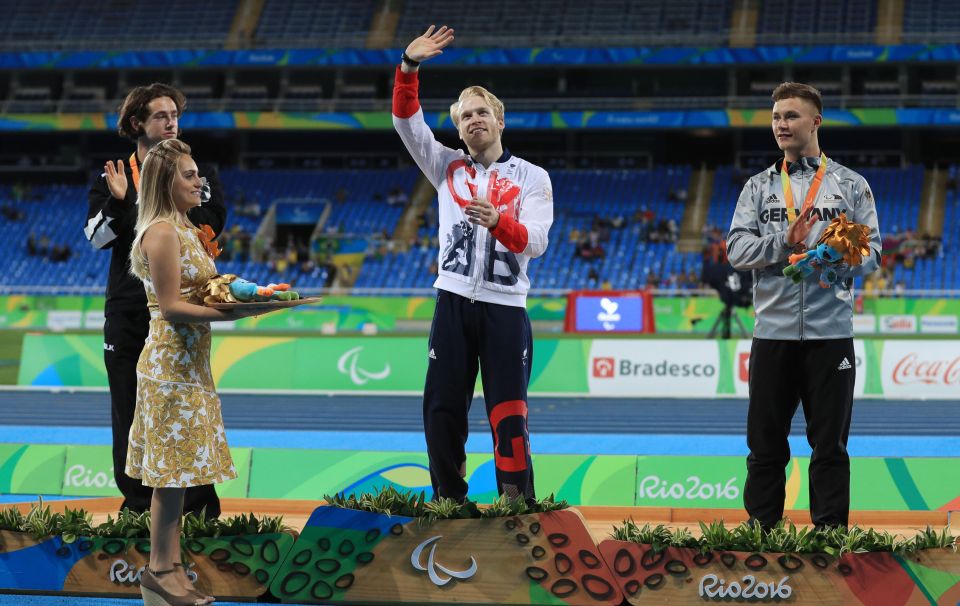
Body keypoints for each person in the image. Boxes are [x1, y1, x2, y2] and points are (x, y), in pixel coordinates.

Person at [393, 25, 554, 504]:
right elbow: (407, 122)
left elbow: (538, 242)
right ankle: (449, 501)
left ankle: (516, 503)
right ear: (458, 127)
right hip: (453, 301)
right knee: (442, 409)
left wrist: (499, 221)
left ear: (500, 121)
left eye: (482, 112)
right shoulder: (445, 167)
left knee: (508, 413)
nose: (474, 120)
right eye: (465, 115)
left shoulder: (532, 176)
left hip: (506, 308)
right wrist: (408, 66)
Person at [727, 82, 881, 530]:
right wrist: (784, 241)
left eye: (791, 116)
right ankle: (761, 537)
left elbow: (874, 254)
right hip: (772, 336)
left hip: (831, 336)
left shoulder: (852, 185)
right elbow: (736, 250)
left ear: (815, 121)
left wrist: (839, 255)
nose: (781, 124)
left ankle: (830, 541)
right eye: (776, 117)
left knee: (830, 447)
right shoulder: (757, 188)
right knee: (765, 448)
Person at [127, 139, 275, 606]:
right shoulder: (163, 232)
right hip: (169, 367)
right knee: (170, 478)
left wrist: (244, 296)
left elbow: (204, 290)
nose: (199, 181)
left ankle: (166, 569)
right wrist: (236, 316)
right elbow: (171, 307)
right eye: (188, 175)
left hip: (189, 365)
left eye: (197, 175)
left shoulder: (186, 228)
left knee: (180, 477)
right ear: (164, 182)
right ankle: (159, 571)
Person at [84, 84, 225, 518]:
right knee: (128, 407)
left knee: (187, 405)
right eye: (161, 115)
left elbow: (209, 229)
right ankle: (139, 507)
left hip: (179, 310)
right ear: (137, 124)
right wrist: (118, 200)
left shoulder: (196, 174)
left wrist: (147, 201)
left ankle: (199, 509)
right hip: (129, 312)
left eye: (174, 114)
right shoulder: (113, 177)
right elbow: (95, 238)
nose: (171, 122)